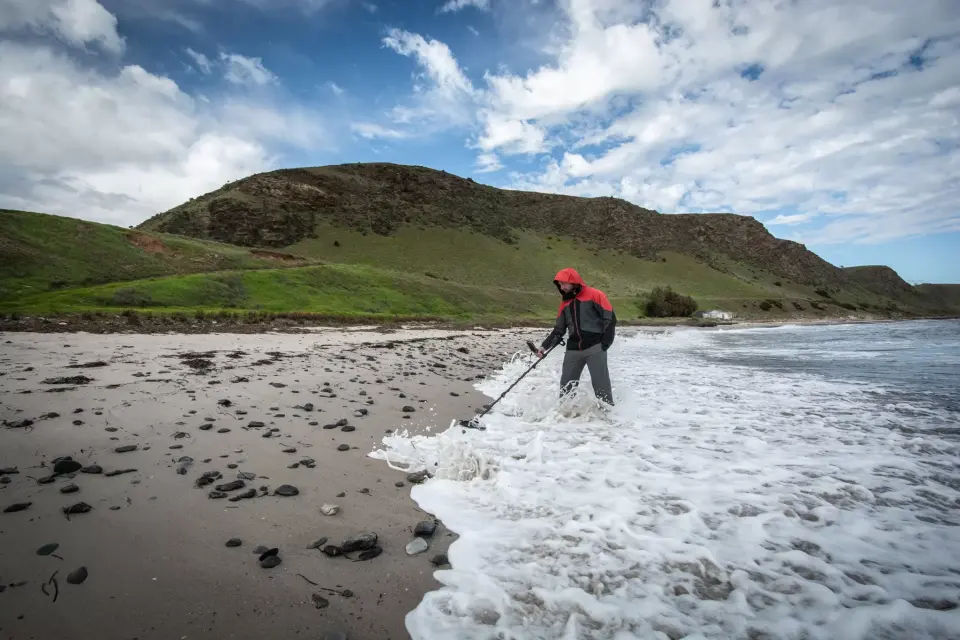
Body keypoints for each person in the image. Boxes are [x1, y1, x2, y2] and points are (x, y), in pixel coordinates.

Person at [537, 267, 616, 406]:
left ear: (574, 281)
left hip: (595, 348)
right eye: (560, 285)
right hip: (573, 350)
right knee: (566, 388)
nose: (562, 287)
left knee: (601, 386)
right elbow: (559, 330)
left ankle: (607, 419)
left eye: (564, 283)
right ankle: (564, 417)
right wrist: (544, 346)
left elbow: (609, 318)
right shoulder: (564, 303)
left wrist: (605, 344)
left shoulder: (595, 295)